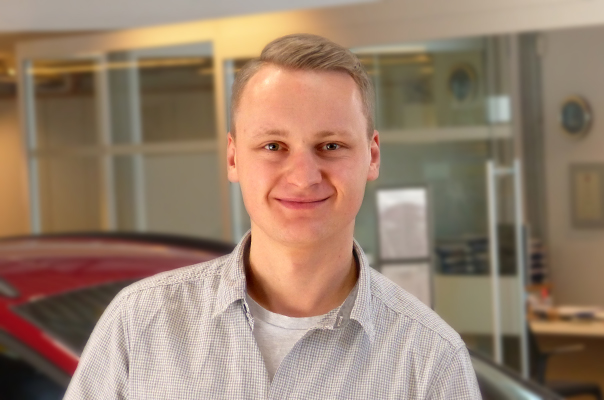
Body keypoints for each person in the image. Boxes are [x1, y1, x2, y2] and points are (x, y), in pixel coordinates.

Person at [64, 33, 481, 399]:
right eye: (273, 146)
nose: (303, 177)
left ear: (371, 156)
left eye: (331, 146)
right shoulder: (139, 323)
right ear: (233, 158)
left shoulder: (431, 359)